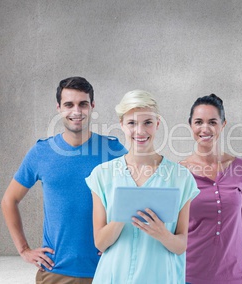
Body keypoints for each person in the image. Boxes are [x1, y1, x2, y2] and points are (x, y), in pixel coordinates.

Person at [1, 76, 127, 283]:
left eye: (83, 104)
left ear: (92, 106)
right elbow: (9, 200)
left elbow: (137, 197)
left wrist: (122, 245)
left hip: (105, 271)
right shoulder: (42, 152)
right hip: (55, 272)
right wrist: (23, 249)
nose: (76, 111)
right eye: (69, 104)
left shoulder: (113, 150)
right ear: (59, 107)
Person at [85, 90, 200, 283]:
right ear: (121, 124)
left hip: (160, 276)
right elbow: (101, 243)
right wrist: (122, 215)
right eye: (131, 123)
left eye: (147, 122)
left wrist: (162, 234)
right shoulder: (102, 175)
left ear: (157, 124)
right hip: (114, 277)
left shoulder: (181, 177)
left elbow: (181, 245)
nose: (140, 131)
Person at [181, 94, 242, 284]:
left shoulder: (241, 169)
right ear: (190, 125)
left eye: (212, 122)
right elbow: (170, 230)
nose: (205, 128)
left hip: (234, 277)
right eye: (198, 122)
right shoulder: (178, 173)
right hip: (188, 276)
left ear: (223, 125)